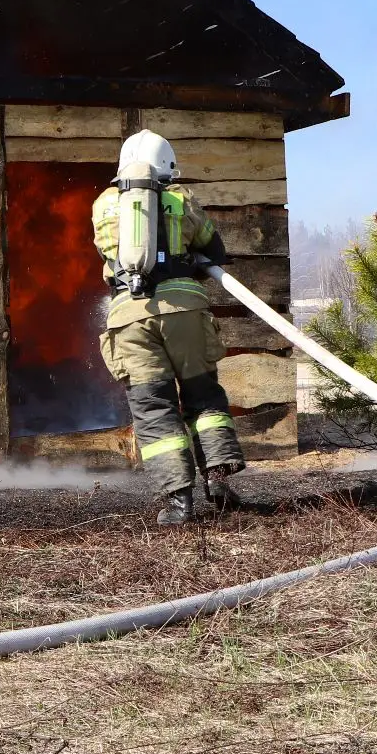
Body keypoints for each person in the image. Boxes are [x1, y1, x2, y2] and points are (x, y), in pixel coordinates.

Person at [92, 130, 246, 525]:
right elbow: (215, 251)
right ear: (168, 165)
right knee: (203, 395)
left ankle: (179, 502)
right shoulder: (181, 199)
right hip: (185, 312)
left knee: (153, 406)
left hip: (129, 318)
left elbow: (108, 256)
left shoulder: (104, 204)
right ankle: (218, 479)